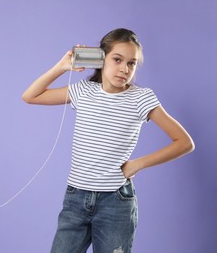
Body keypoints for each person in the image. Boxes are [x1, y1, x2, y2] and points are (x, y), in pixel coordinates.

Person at [22, 28, 194, 253]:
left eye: (132, 64)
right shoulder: (83, 90)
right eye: (117, 59)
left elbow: (184, 142)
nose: (125, 69)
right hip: (76, 198)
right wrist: (62, 67)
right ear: (102, 58)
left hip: (116, 202)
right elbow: (30, 96)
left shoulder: (141, 98)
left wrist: (138, 163)